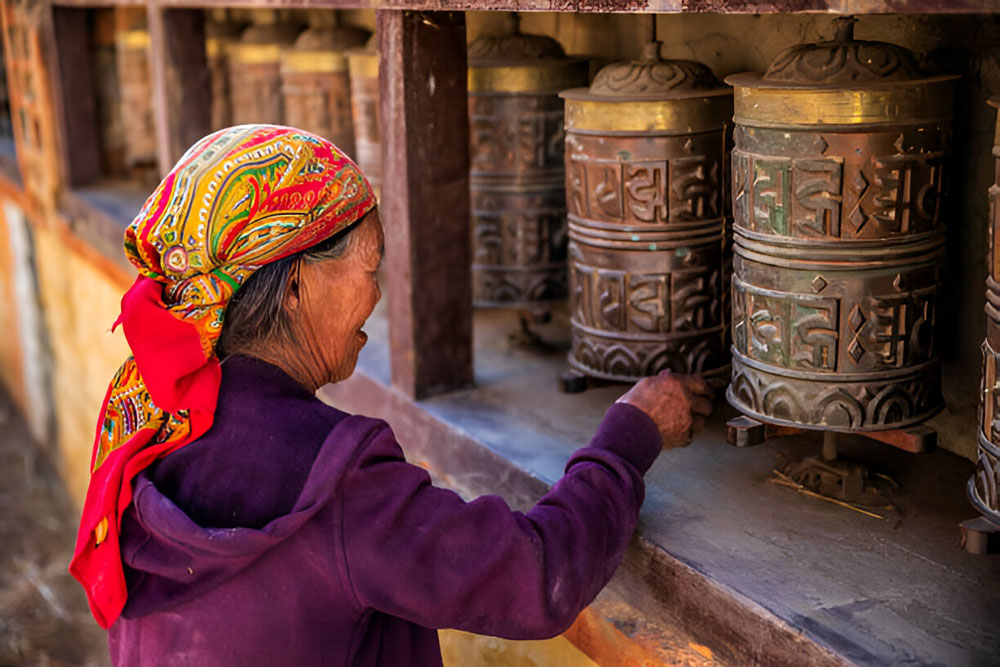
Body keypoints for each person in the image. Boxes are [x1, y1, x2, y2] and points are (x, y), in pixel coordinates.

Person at [70, 125, 713, 666]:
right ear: (294, 286)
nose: (376, 297)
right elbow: (538, 578)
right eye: (370, 269)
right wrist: (631, 434)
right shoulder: (337, 480)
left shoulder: (152, 424)